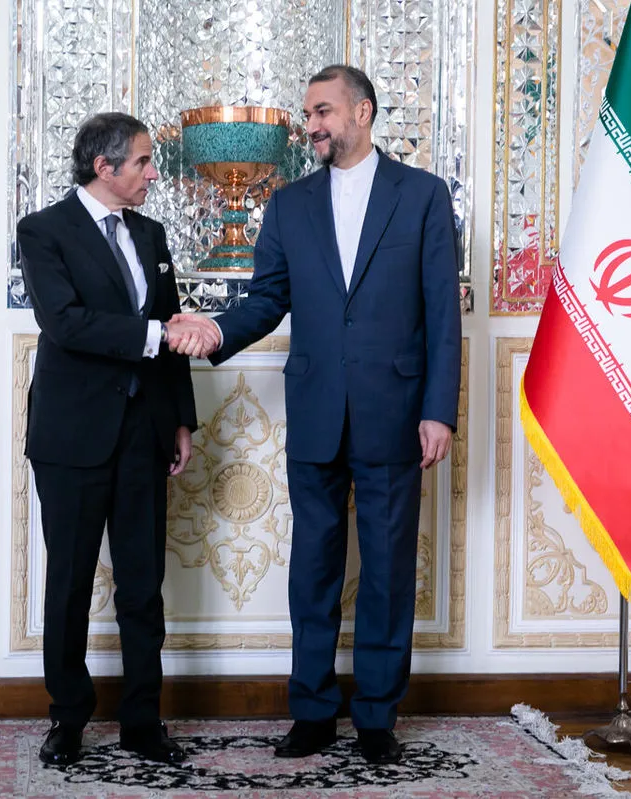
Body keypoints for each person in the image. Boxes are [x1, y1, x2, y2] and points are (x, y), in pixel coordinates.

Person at [171, 65, 462, 765]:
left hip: (396, 411)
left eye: (323, 112)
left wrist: (439, 411)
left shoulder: (422, 195)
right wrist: (216, 330)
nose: (312, 126)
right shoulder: (289, 204)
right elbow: (267, 299)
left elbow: (442, 314)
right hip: (316, 409)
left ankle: (377, 717)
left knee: (388, 569)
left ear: (362, 112)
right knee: (313, 570)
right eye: (308, 114)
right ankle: (312, 711)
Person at [17, 112, 208, 767]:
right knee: (69, 582)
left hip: (144, 433)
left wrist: (180, 419)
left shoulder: (150, 232)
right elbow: (65, 322)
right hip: (72, 435)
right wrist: (157, 335)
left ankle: (142, 721)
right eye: (144, 162)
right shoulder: (43, 230)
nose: (153, 173)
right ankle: (68, 718)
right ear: (105, 167)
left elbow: (170, 319)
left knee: (143, 585)